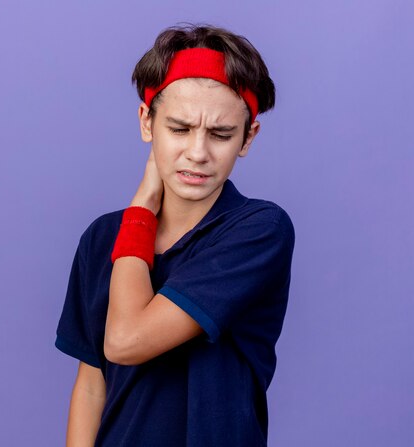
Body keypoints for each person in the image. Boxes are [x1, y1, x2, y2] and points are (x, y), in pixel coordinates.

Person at [55, 23, 295, 447]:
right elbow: (93, 385)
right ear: (147, 122)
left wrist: (142, 208)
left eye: (220, 134)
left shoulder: (258, 231)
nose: (198, 153)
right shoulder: (101, 238)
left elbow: (126, 340)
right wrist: (137, 220)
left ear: (247, 137)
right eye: (180, 129)